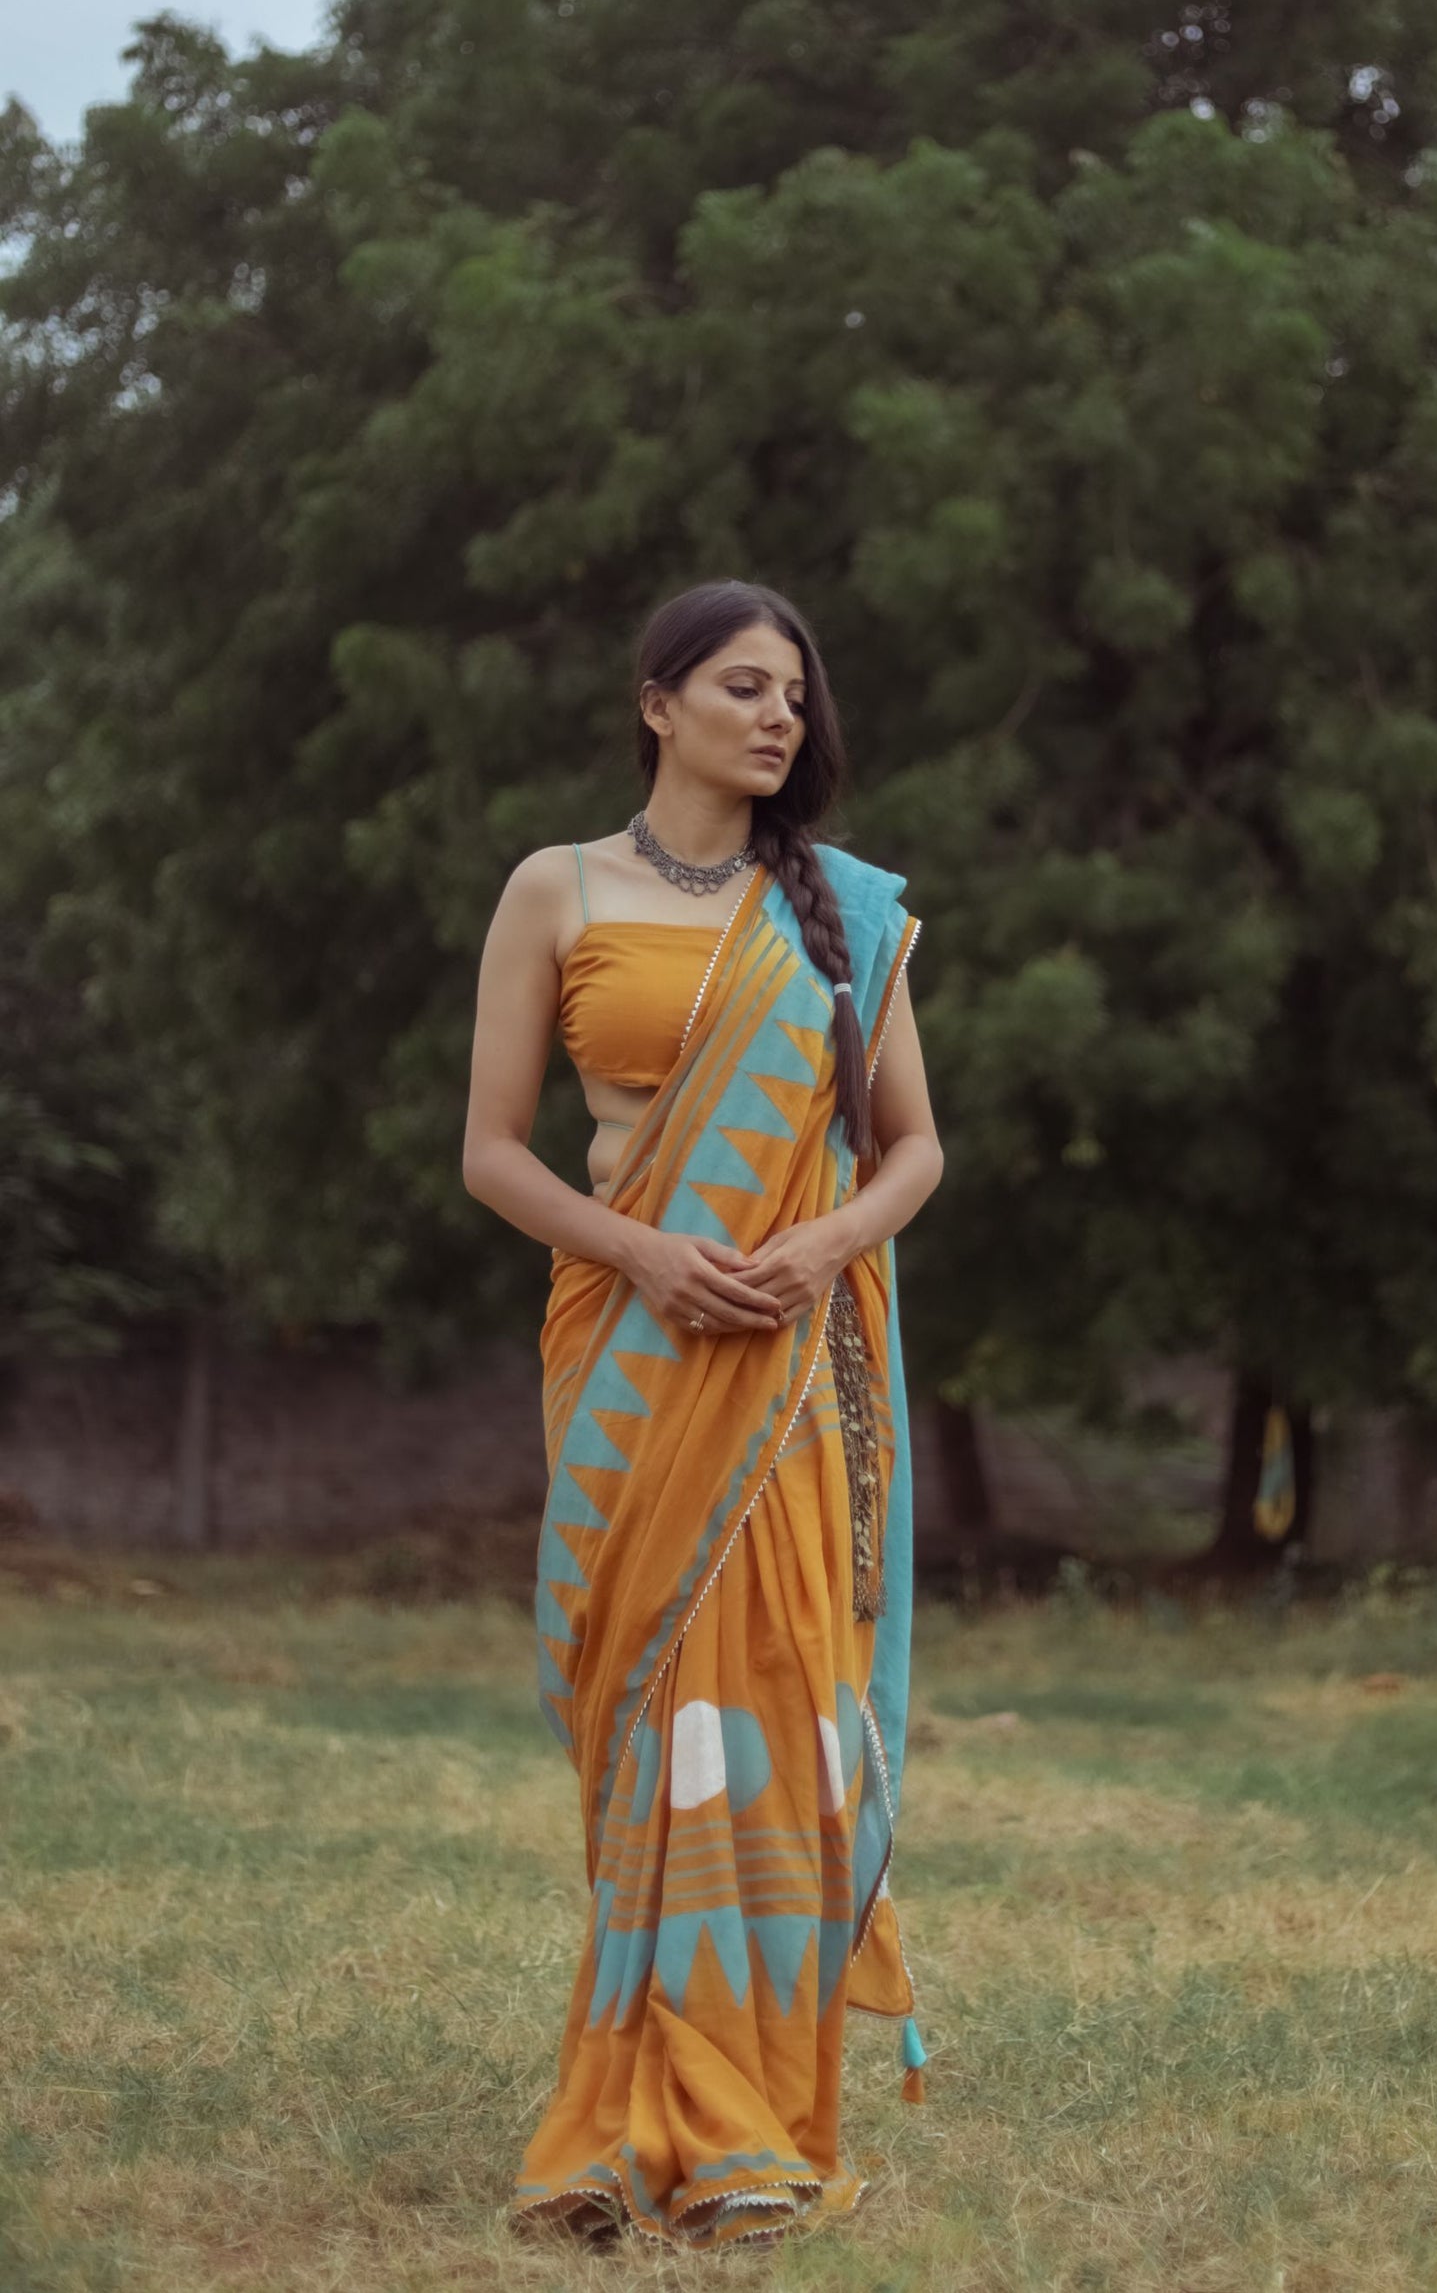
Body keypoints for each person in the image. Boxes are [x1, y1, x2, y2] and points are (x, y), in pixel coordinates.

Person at [463, 579, 944, 2248]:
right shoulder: (558, 890)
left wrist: (813, 1245)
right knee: (643, 1719)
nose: (776, 717)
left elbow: (914, 1151)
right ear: (655, 701)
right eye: (742, 686)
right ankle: (613, 2121)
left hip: (783, 1367)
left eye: (794, 698)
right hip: (629, 1350)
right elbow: (496, 1152)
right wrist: (651, 1255)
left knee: (761, 1714)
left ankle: (740, 2126)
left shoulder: (842, 916)